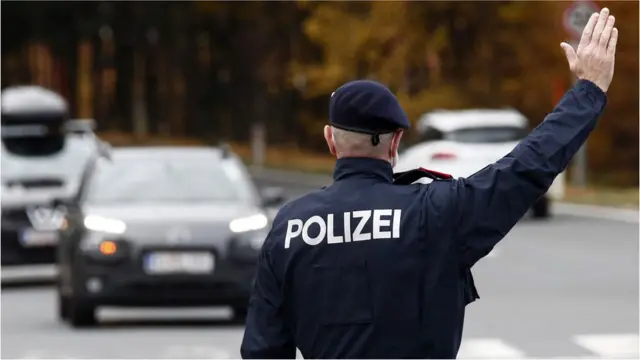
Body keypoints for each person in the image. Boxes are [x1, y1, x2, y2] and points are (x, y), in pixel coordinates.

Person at [241, 8, 618, 359]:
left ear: (329, 139)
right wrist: (588, 91)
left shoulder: (289, 228)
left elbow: (262, 351)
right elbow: (526, 168)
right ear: (395, 143)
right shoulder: (435, 212)